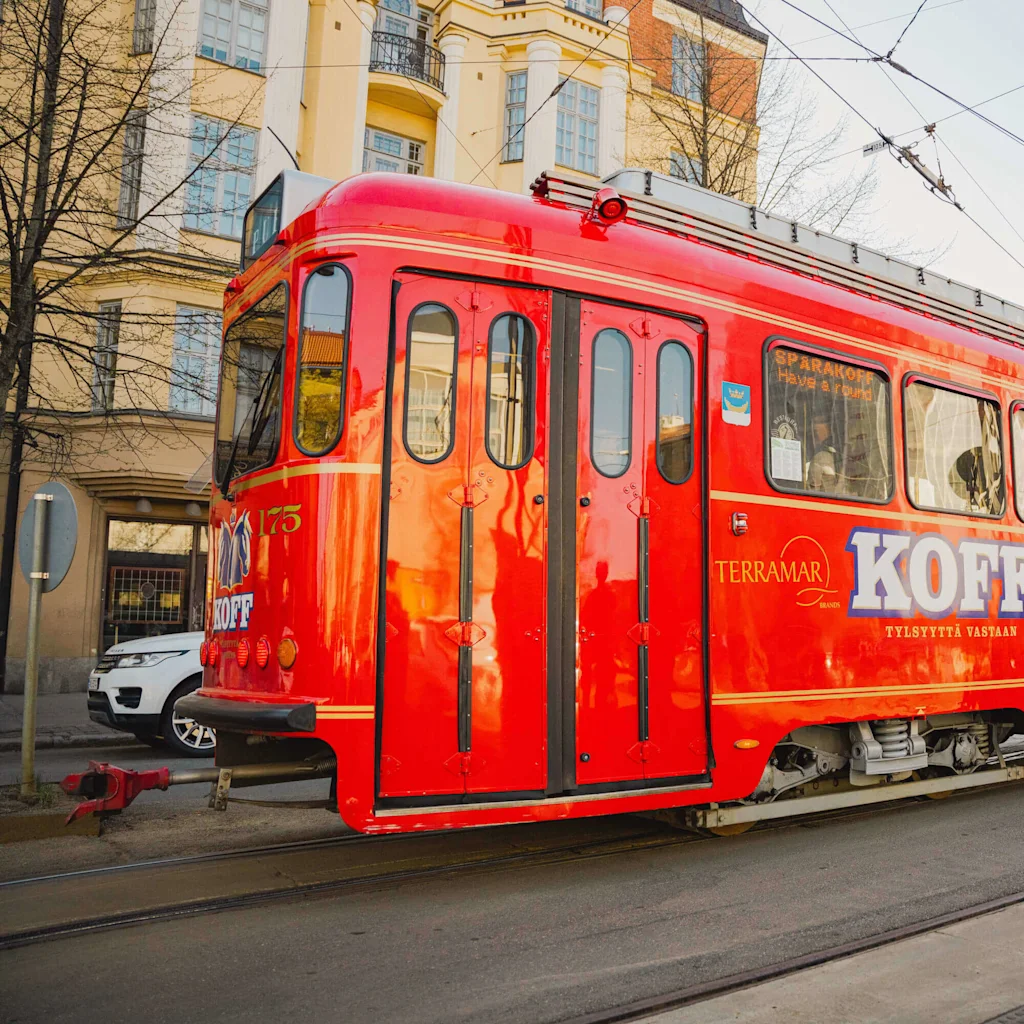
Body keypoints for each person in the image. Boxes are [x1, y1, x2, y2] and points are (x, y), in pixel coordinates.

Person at [807, 412, 838, 491]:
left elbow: (814, 488)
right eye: (814, 422)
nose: (815, 426)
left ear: (829, 428)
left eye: (820, 422)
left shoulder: (823, 455)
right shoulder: (809, 449)